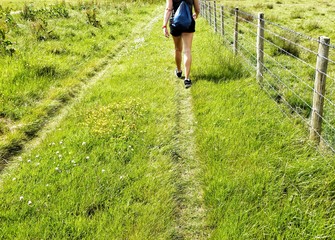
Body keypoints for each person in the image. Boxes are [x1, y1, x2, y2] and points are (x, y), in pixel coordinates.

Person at [162, 0, 200, 88]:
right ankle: (187, 79)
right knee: (187, 51)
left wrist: (164, 26)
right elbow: (197, 9)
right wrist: (196, 15)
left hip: (175, 23)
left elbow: (168, 9)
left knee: (178, 49)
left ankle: (179, 71)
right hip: (189, 22)